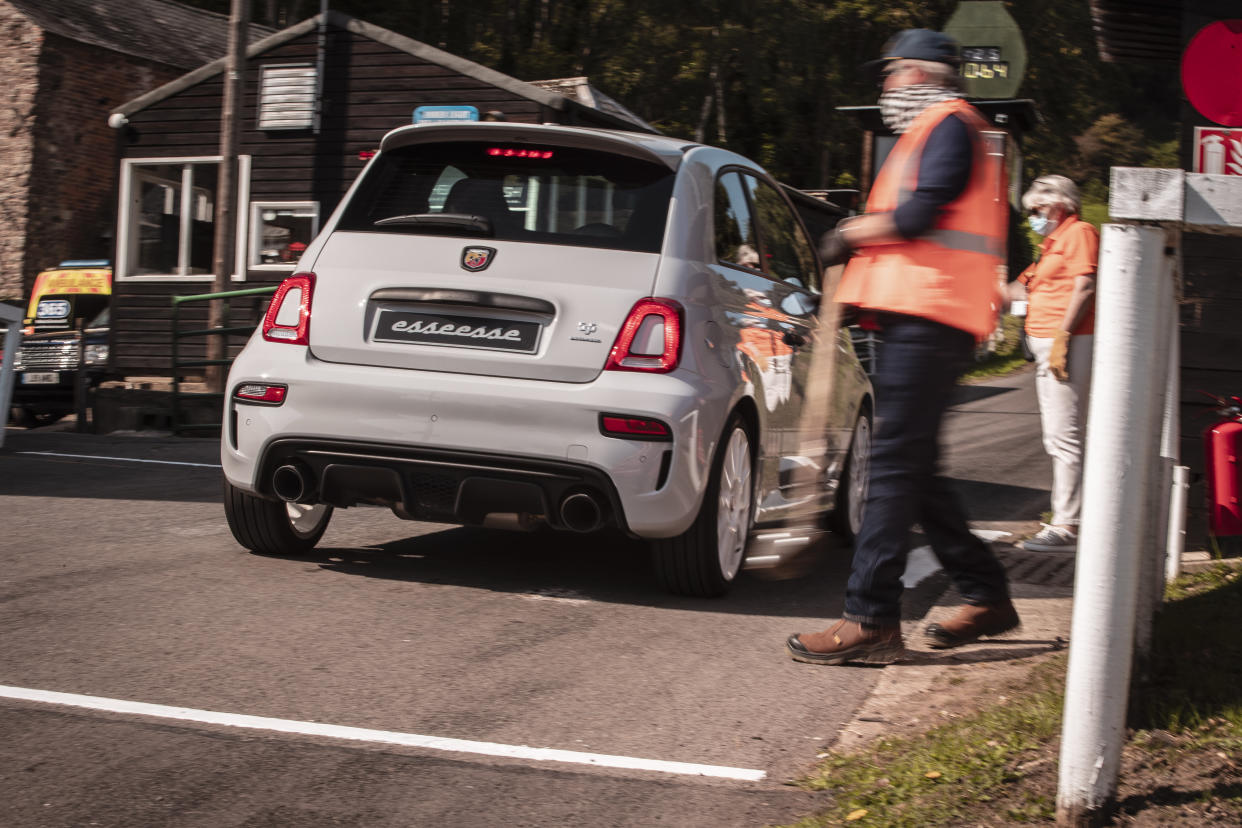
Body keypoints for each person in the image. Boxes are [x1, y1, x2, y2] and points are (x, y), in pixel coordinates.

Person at [786, 29, 1018, 666]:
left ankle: (871, 617)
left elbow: (919, 218)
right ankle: (988, 595)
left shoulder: (949, 124)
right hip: (922, 315)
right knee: (916, 471)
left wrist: (848, 232)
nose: (884, 87)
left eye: (889, 75)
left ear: (918, 74)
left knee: (892, 468)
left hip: (931, 316)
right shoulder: (942, 129)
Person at [1014, 175, 1098, 552]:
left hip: (1067, 342)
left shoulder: (1079, 232)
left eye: (1038, 209)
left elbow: (1085, 284)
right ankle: (1068, 518)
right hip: (1049, 343)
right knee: (1056, 434)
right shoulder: (1050, 244)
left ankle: (1067, 525)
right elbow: (1022, 289)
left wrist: (1063, 336)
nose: (1033, 216)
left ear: (1060, 204)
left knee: (1065, 435)